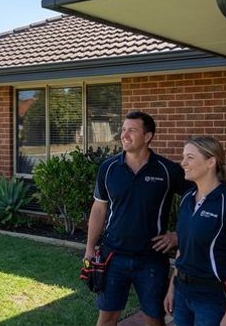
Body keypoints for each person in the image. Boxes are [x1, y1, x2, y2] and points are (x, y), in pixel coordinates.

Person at [86, 111, 192, 326]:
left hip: (151, 259)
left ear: (148, 136)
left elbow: (197, 199)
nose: (125, 135)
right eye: (123, 129)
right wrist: (89, 247)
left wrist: (178, 235)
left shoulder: (167, 170)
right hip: (112, 256)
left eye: (132, 130)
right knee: (107, 318)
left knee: (154, 318)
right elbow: (99, 209)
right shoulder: (108, 168)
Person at [164, 136, 226, 326]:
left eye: (190, 157)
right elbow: (184, 247)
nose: (183, 163)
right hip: (182, 292)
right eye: (183, 157)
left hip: (212, 299)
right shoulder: (187, 198)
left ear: (211, 162)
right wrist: (172, 287)